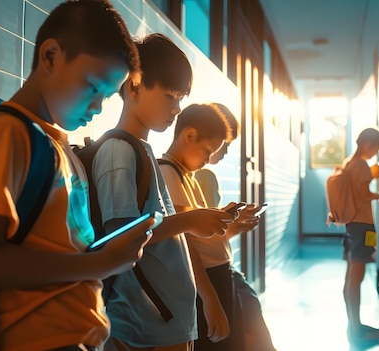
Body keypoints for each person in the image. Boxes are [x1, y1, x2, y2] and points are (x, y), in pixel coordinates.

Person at [0, 2, 156, 350]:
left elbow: (58, 248)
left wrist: (100, 256)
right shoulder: (6, 134)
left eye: (106, 97)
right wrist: (101, 263)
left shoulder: (58, 146)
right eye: (93, 86)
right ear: (50, 56)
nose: (97, 108)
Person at [90, 33, 234, 351]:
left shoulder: (141, 151)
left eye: (181, 98)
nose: (177, 109)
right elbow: (123, 238)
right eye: (171, 96)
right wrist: (191, 220)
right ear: (133, 87)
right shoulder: (118, 151)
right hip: (143, 326)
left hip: (165, 323)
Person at [192, 103, 277, 351]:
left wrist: (233, 227)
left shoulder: (191, 176)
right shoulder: (201, 177)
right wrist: (233, 227)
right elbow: (201, 241)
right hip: (211, 273)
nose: (225, 152)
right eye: (224, 144)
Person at [339, 127, 379, 344]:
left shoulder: (349, 163)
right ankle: (356, 328)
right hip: (362, 225)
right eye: (376, 148)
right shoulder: (360, 165)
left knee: (352, 275)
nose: (375, 153)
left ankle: (355, 325)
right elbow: (362, 194)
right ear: (368, 145)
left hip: (354, 226)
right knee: (356, 277)